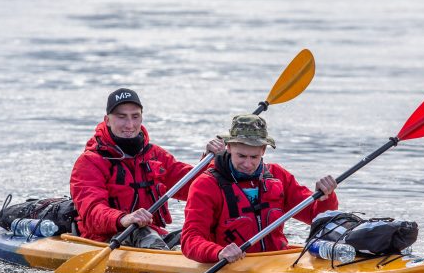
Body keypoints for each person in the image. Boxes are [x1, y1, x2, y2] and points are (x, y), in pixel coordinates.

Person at [70, 88, 224, 249]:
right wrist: (124, 219)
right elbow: (91, 211)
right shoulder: (89, 162)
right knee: (142, 232)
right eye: (122, 117)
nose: (130, 124)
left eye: (135, 117)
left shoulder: (154, 155)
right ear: (107, 120)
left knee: (198, 234)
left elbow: (193, 187)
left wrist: (214, 160)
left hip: (152, 234)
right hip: (103, 239)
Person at [181, 114, 338, 263]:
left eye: (254, 157)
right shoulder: (206, 184)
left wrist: (325, 197)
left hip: (275, 261)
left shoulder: (278, 175)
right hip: (232, 264)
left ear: (263, 150)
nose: (248, 164)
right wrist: (217, 252)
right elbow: (190, 238)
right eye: (241, 156)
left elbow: (318, 218)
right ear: (228, 147)